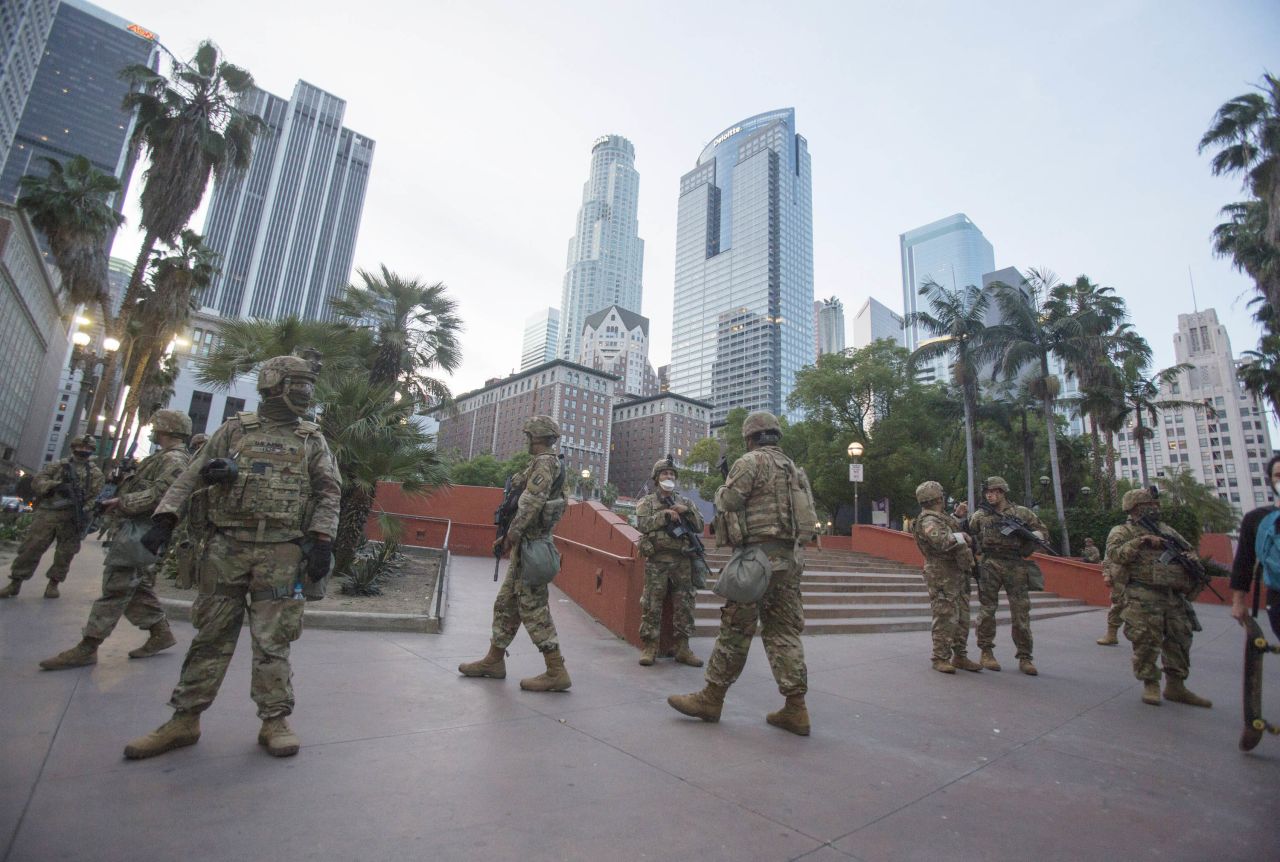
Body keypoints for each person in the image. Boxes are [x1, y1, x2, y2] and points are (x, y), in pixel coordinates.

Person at [122, 353, 341, 759]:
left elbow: (329, 490)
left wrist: (322, 538)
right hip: (227, 547)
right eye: (299, 387)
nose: (305, 396)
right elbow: (191, 474)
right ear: (275, 386)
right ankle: (184, 719)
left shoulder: (312, 439)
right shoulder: (235, 431)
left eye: (308, 388)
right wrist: (166, 518)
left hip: (282, 550)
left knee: (273, 641)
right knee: (210, 636)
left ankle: (274, 720)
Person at [668, 411, 814, 736]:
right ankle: (796, 707)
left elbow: (730, 500)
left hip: (756, 560)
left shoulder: (750, 462)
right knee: (783, 632)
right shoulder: (793, 468)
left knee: (735, 628)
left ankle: (711, 698)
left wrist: (722, 488)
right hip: (789, 560)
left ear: (750, 437)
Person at [38, 415, 191, 669]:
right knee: (135, 586)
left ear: (167, 428)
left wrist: (122, 502)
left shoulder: (173, 459)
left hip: (142, 531)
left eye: (156, 427)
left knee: (116, 586)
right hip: (136, 529)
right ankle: (160, 633)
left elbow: (161, 496)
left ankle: (89, 646)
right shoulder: (163, 457)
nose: (153, 430)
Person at [458, 415, 572, 692]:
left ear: (536, 437)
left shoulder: (545, 463)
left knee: (533, 607)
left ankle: (556, 670)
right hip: (527, 545)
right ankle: (494, 661)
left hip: (532, 544)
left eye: (529, 435)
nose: (526, 440)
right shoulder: (539, 463)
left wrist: (511, 535)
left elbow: (531, 503)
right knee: (506, 604)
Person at [1104, 488, 1211, 708]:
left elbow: (1189, 549)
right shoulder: (1122, 531)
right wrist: (1141, 541)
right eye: (1147, 504)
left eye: (1154, 504)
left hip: (1173, 595)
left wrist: (1190, 558)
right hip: (1142, 594)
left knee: (1180, 639)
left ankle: (1176, 685)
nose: (1153, 507)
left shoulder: (1167, 531)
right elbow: (1114, 554)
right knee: (1146, 641)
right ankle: (1150, 683)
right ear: (1134, 508)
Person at [961, 476, 1047, 675]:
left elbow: (1041, 531)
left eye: (993, 492)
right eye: (987, 492)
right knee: (987, 610)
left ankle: (1025, 656)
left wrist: (1034, 538)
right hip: (990, 562)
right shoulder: (980, 515)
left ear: (1002, 492)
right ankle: (986, 651)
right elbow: (967, 532)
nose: (990, 495)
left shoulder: (1021, 513)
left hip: (1015, 564)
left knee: (1021, 612)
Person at [0, 436, 103, 599]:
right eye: (80, 448)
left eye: (87, 449)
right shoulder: (59, 466)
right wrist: (56, 486)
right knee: (31, 547)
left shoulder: (95, 473)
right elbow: (38, 482)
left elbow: (94, 496)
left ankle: (53, 584)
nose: (83, 451)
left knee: (65, 553)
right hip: (48, 513)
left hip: (71, 517)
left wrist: (84, 510)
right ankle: (15, 582)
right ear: (73, 448)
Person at [634, 456, 705, 667]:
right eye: (665, 473)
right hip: (657, 561)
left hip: (682, 561)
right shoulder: (647, 502)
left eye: (672, 474)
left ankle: (683, 648)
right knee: (651, 604)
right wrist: (664, 516)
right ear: (656, 478)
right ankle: (649, 647)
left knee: (685, 605)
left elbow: (700, 525)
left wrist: (688, 512)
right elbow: (642, 525)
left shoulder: (685, 502)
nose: (669, 476)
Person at [911, 481, 981, 674]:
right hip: (942, 574)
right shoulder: (928, 520)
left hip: (957, 572)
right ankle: (940, 657)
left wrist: (957, 517)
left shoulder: (938, 518)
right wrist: (962, 538)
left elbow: (947, 527)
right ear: (938, 498)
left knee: (962, 617)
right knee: (945, 616)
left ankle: (960, 655)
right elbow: (941, 540)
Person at [1229, 454, 1280, 639]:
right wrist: (1238, 601)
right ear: (1271, 481)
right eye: (1278, 475)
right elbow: (1243, 561)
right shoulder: (1255, 519)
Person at [1095, 558, 1126, 646]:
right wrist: (1107, 574)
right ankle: (1112, 634)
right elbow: (1109, 555)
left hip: (1144, 577)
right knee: (1118, 604)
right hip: (1121, 576)